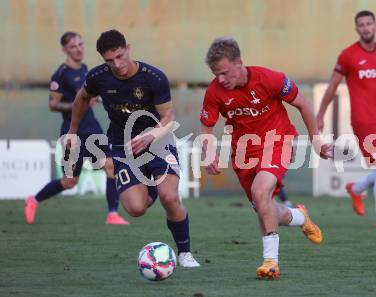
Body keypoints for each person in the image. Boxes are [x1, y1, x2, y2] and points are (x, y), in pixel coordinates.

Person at [200, 37, 331, 279]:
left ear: (239, 63)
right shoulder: (214, 91)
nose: (221, 79)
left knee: (261, 193)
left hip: (278, 141)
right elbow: (206, 129)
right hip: (244, 154)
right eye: (216, 74)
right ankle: (300, 216)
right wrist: (208, 153)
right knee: (263, 207)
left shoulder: (270, 79)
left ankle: (271, 262)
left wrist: (316, 140)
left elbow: (303, 104)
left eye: (225, 73)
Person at [66, 29, 200, 267]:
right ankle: (151, 188)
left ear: (128, 48)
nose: (117, 64)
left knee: (169, 198)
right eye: (109, 60)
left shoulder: (153, 77)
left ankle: (185, 253)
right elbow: (81, 99)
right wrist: (72, 132)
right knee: (136, 209)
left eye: (120, 56)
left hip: (158, 140)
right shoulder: (98, 77)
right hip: (122, 145)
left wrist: (150, 136)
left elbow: (168, 116)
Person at [24, 32, 129, 225]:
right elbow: (52, 104)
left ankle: (112, 214)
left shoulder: (86, 69)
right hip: (73, 133)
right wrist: (77, 103)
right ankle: (33, 200)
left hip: (92, 129)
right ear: (65, 50)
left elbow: (90, 94)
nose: (79, 49)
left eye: (81, 44)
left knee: (110, 164)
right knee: (70, 181)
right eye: (73, 46)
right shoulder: (61, 74)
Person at [316, 10, 376, 230]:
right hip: (363, 121)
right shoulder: (348, 55)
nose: (365, 28)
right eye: (361, 25)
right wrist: (320, 114)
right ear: (357, 29)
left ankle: (356, 189)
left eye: (368, 23)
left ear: (375, 26)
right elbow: (333, 86)